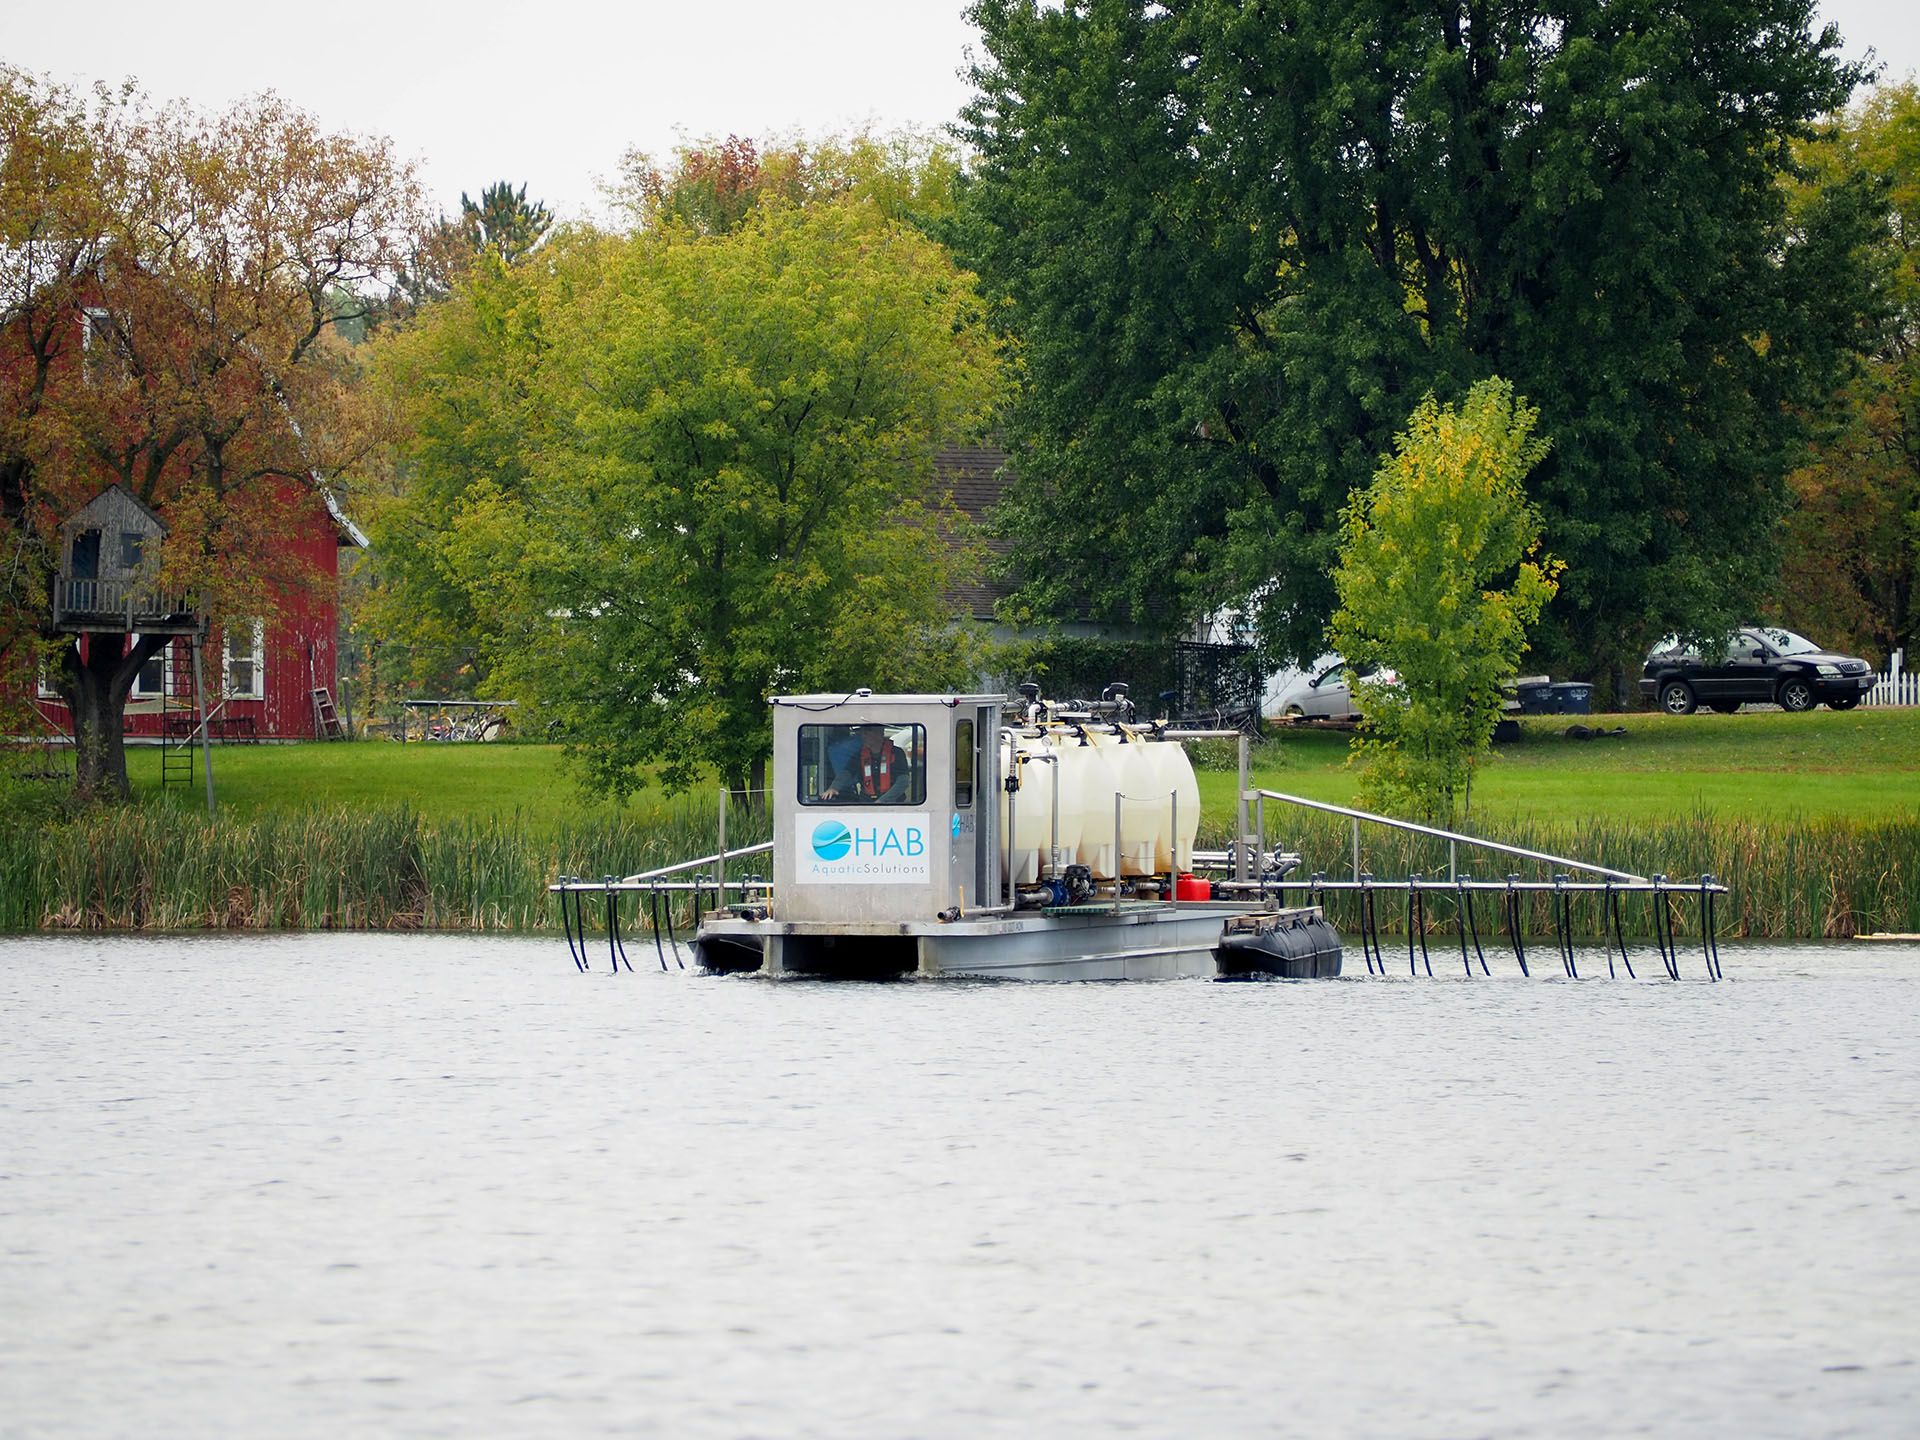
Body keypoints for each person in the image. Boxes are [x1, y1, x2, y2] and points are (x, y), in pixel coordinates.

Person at [821, 724, 912, 802]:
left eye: (867, 733)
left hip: (893, 805)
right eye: (862, 733)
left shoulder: (896, 753)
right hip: (866, 803)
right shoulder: (860, 755)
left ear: (879, 733)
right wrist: (833, 788)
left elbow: (903, 781)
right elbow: (847, 773)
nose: (863, 736)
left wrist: (883, 801)